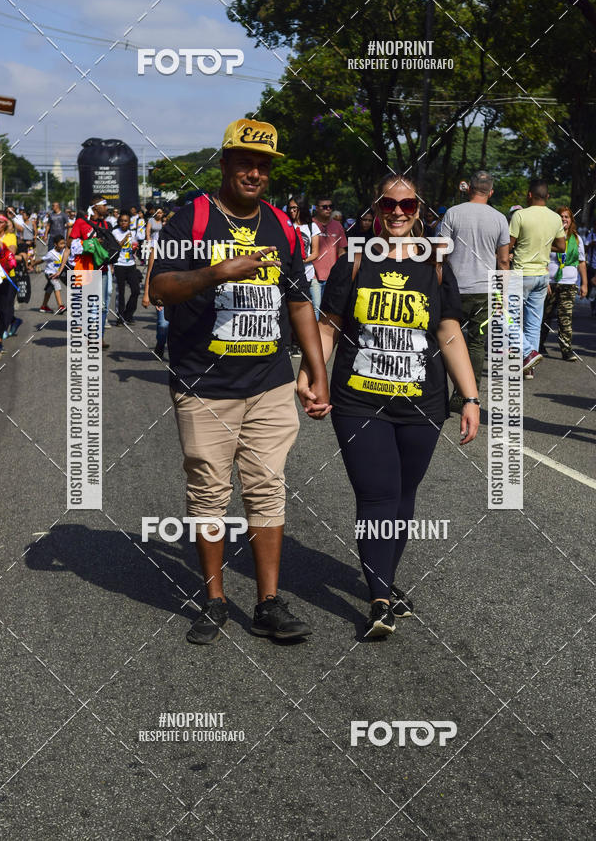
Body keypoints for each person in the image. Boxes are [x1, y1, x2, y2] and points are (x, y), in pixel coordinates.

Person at [149, 118, 330, 645]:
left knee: (267, 488)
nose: (254, 172)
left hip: (270, 382)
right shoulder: (193, 220)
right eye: (245, 162)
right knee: (209, 491)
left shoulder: (281, 226)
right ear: (225, 163)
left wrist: (316, 372)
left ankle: (269, 602)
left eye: (263, 165)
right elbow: (159, 288)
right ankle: (214, 599)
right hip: (204, 386)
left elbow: (299, 301)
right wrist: (216, 272)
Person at [298, 174, 479, 638]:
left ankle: (384, 578)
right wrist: (310, 374)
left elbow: (449, 333)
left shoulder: (436, 264)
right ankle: (380, 598)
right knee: (378, 493)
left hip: (423, 401)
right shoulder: (355, 261)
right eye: (389, 203)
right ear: (376, 207)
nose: (398, 211)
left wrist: (471, 397)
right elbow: (329, 326)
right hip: (359, 399)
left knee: (403, 495)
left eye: (408, 203)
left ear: (420, 208)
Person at [438, 170, 511, 411]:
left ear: (469, 188)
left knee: (444, 340)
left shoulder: (453, 213)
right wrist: (503, 293)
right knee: (476, 344)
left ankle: (440, 393)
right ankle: (467, 397)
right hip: (484, 290)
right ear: (491, 192)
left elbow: (441, 252)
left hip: (453, 288)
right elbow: (503, 261)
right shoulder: (500, 218)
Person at [509, 179, 566, 377]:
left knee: (506, 318)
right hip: (542, 275)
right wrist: (542, 246)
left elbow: (508, 246)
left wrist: (523, 247)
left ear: (529, 195)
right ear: (548, 196)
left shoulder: (520, 215)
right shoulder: (555, 218)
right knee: (533, 323)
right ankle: (529, 367)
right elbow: (561, 247)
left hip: (520, 273)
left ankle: (528, 353)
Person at [55, 195, 112, 348]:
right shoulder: (81, 223)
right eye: (104, 205)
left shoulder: (107, 224)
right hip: (88, 268)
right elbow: (69, 244)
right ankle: (92, 336)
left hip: (105, 269)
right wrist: (91, 243)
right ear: (96, 208)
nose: (107, 208)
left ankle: (99, 336)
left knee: (104, 304)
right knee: (92, 304)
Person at [540, 206, 588, 361]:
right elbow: (543, 259)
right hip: (551, 283)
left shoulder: (576, 239)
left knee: (565, 317)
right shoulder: (550, 236)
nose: (564, 219)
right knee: (545, 316)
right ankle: (539, 345)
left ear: (571, 220)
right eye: (561, 217)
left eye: (566, 217)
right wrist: (545, 280)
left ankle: (566, 350)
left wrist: (584, 284)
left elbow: (581, 262)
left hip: (569, 283)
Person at [287, 196, 320, 355]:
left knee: (313, 310)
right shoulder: (286, 225)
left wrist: (301, 260)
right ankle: (292, 343)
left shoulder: (312, 227)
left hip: (308, 275)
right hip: (290, 276)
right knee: (290, 311)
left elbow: (316, 253)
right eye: (290, 208)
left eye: (295, 208)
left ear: (302, 209)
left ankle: (308, 344)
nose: (292, 211)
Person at [311, 194, 347, 319]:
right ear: (316, 208)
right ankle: (313, 338)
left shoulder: (337, 226)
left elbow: (342, 251)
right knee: (315, 309)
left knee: (328, 311)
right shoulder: (310, 224)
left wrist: (342, 271)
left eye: (330, 206)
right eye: (324, 207)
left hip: (332, 276)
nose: (328, 209)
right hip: (313, 275)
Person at [0, 211, 20, 353]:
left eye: (0, 222)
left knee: (3, 310)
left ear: (5, 225)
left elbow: (11, 251)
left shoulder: (10, 237)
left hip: (5, 278)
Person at [112, 211, 141, 326]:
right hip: (119, 265)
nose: (124, 223)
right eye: (122, 221)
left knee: (136, 290)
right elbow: (116, 246)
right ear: (119, 222)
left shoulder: (132, 233)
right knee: (121, 292)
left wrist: (135, 249)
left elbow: (134, 246)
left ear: (129, 222)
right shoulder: (115, 232)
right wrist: (125, 238)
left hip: (130, 264)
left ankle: (128, 315)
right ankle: (120, 317)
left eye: (126, 221)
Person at [34, 235, 67, 314]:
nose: (63, 245)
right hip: (50, 274)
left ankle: (44, 306)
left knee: (49, 289)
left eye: (64, 243)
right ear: (55, 244)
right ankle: (60, 306)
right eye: (61, 244)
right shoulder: (51, 253)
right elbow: (42, 260)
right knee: (56, 285)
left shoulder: (64, 251)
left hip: (57, 273)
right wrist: (33, 264)